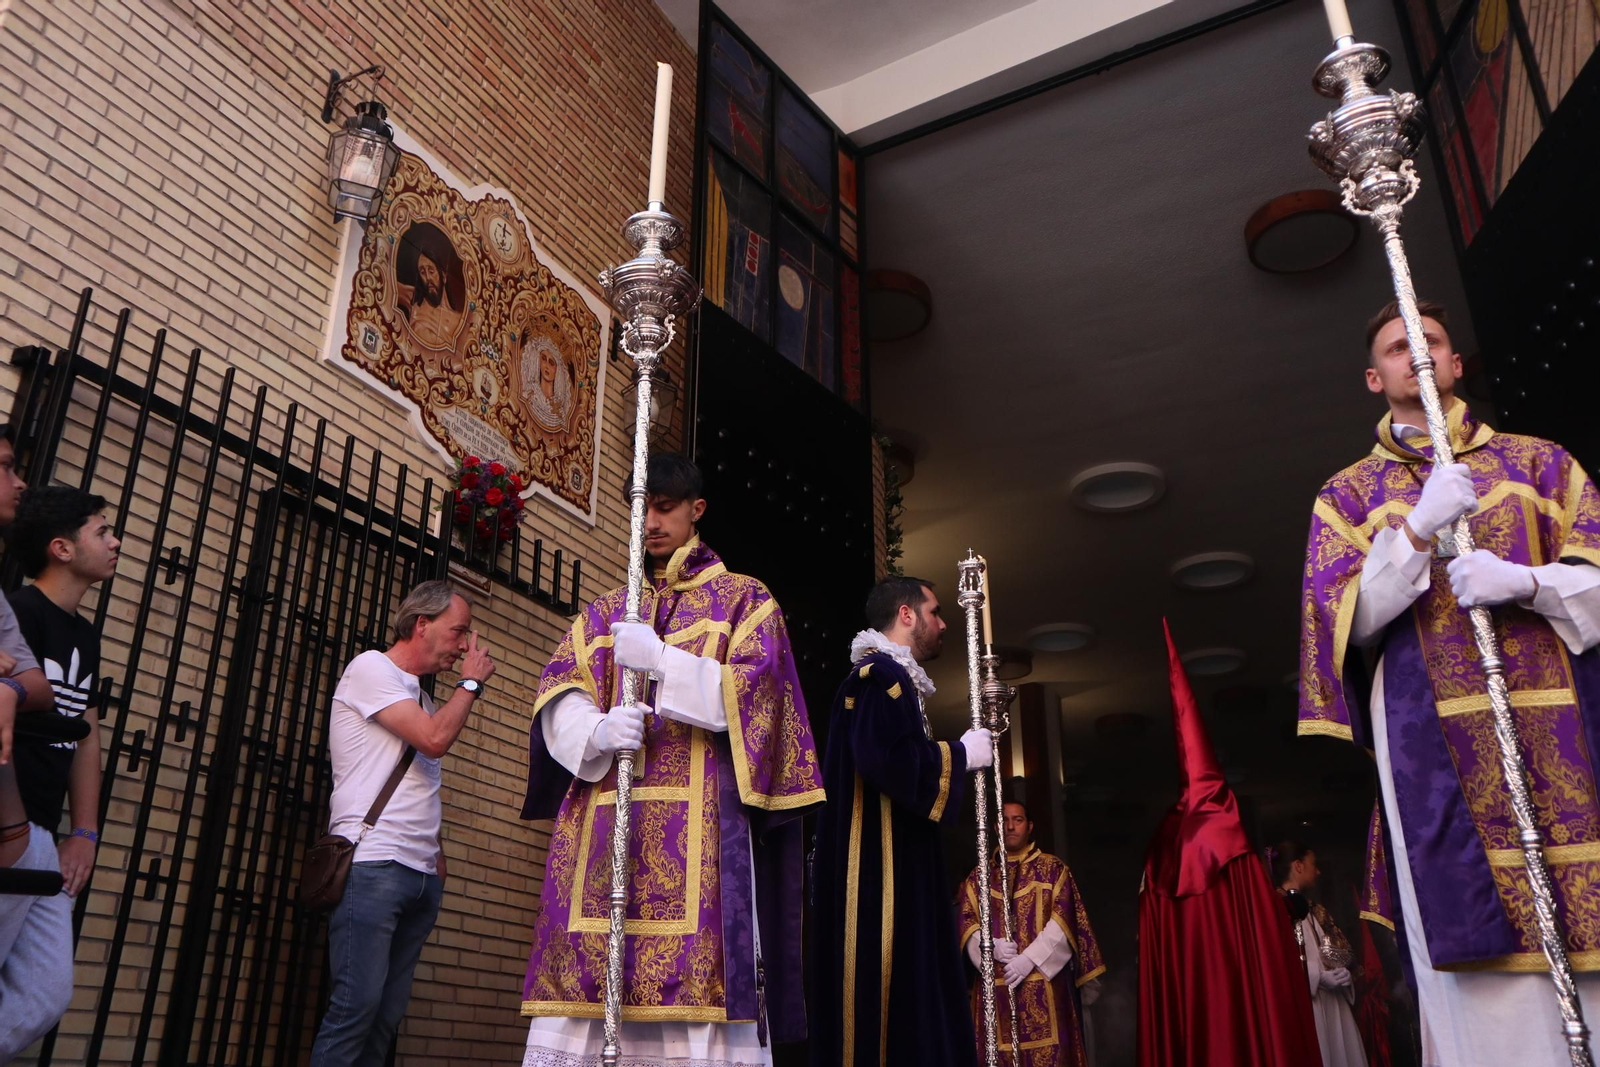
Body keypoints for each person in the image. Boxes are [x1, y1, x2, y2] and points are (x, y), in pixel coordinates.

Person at [1298, 299, 1600, 1066]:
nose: (1418, 353)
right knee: (1479, 984)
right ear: (1375, 377)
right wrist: (1416, 530)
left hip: (1561, 737)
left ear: (1457, 361)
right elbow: (1347, 621)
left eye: (1430, 340)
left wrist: (1527, 582)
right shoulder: (1347, 498)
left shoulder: (1544, 464)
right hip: (1435, 756)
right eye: (1399, 347)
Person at [519, 453, 824, 1067]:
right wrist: (599, 730)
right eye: (641, 509)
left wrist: (662, 661)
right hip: (605, 833)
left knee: (698, 997)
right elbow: (560, 693)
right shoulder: (604, 612)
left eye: (664, 508)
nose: (651, 522)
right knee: (588, 984)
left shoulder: (744, 600)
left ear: (696, 510)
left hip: (704, 836)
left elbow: (760, 701)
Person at [809, 575, 993, 1067]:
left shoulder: (887, 677)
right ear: (906, 615)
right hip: (879, 877)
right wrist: (960, 755)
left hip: (893, 864)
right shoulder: (883, 677)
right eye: (934, 611)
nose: (943, 622)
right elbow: (883, 758)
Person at [310, 579, 495, 1066]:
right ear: (421, 624)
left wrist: (437, 856)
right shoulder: (370, 668)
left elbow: (420, 783)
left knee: (386, 1017)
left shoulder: (424, 700)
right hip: (373, 866)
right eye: (458, 632)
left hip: (418, 876)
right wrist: (471, 684)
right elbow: (433, 741)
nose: (463, 645)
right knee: (356, 1007)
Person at [1138, 622, 1320, 1067]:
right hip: (1237, 985)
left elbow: (1155, 937)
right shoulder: (1226, 828)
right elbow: (1263, 932)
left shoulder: (1162, 845)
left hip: (1189, 990)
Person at [7, 486, 120, 896]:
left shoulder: (85, 634)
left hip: (44, 830)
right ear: (62, 549)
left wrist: (85, 833)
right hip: (9, 823)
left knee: (48, 963)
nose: (115, 541)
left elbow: (85, 734)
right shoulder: (21, 613)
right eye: (102, 532)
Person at [0, 429, 73, 1059]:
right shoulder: (23, 604)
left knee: (46, 992)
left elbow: (34, 686)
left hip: (33, 823)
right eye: (5, 467)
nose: (20, 482)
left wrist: (90, 831)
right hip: (11, 817)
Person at [956, 799, 1104, 1067]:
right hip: (996, 986)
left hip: (1044, 985)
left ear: (1030, 826)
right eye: (1004, 820)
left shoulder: (1053, 870)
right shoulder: (979, 877)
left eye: (1018, 820)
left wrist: (1030, 959)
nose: (1010, 826)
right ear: (994, 826)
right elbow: (966, 920)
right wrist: (990, 947)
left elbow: (1064, 920)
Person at [1274, 842, 1365, 1067]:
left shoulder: (1314, 909)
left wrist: (1341, 972)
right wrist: (1316, 976)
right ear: (1298, 866)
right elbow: (1276, 963)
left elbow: (1335, 951)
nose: (1318, 871)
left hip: (1334, 1004)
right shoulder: (1274, 909)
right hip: (1308, 1005)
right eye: (1313, 864)